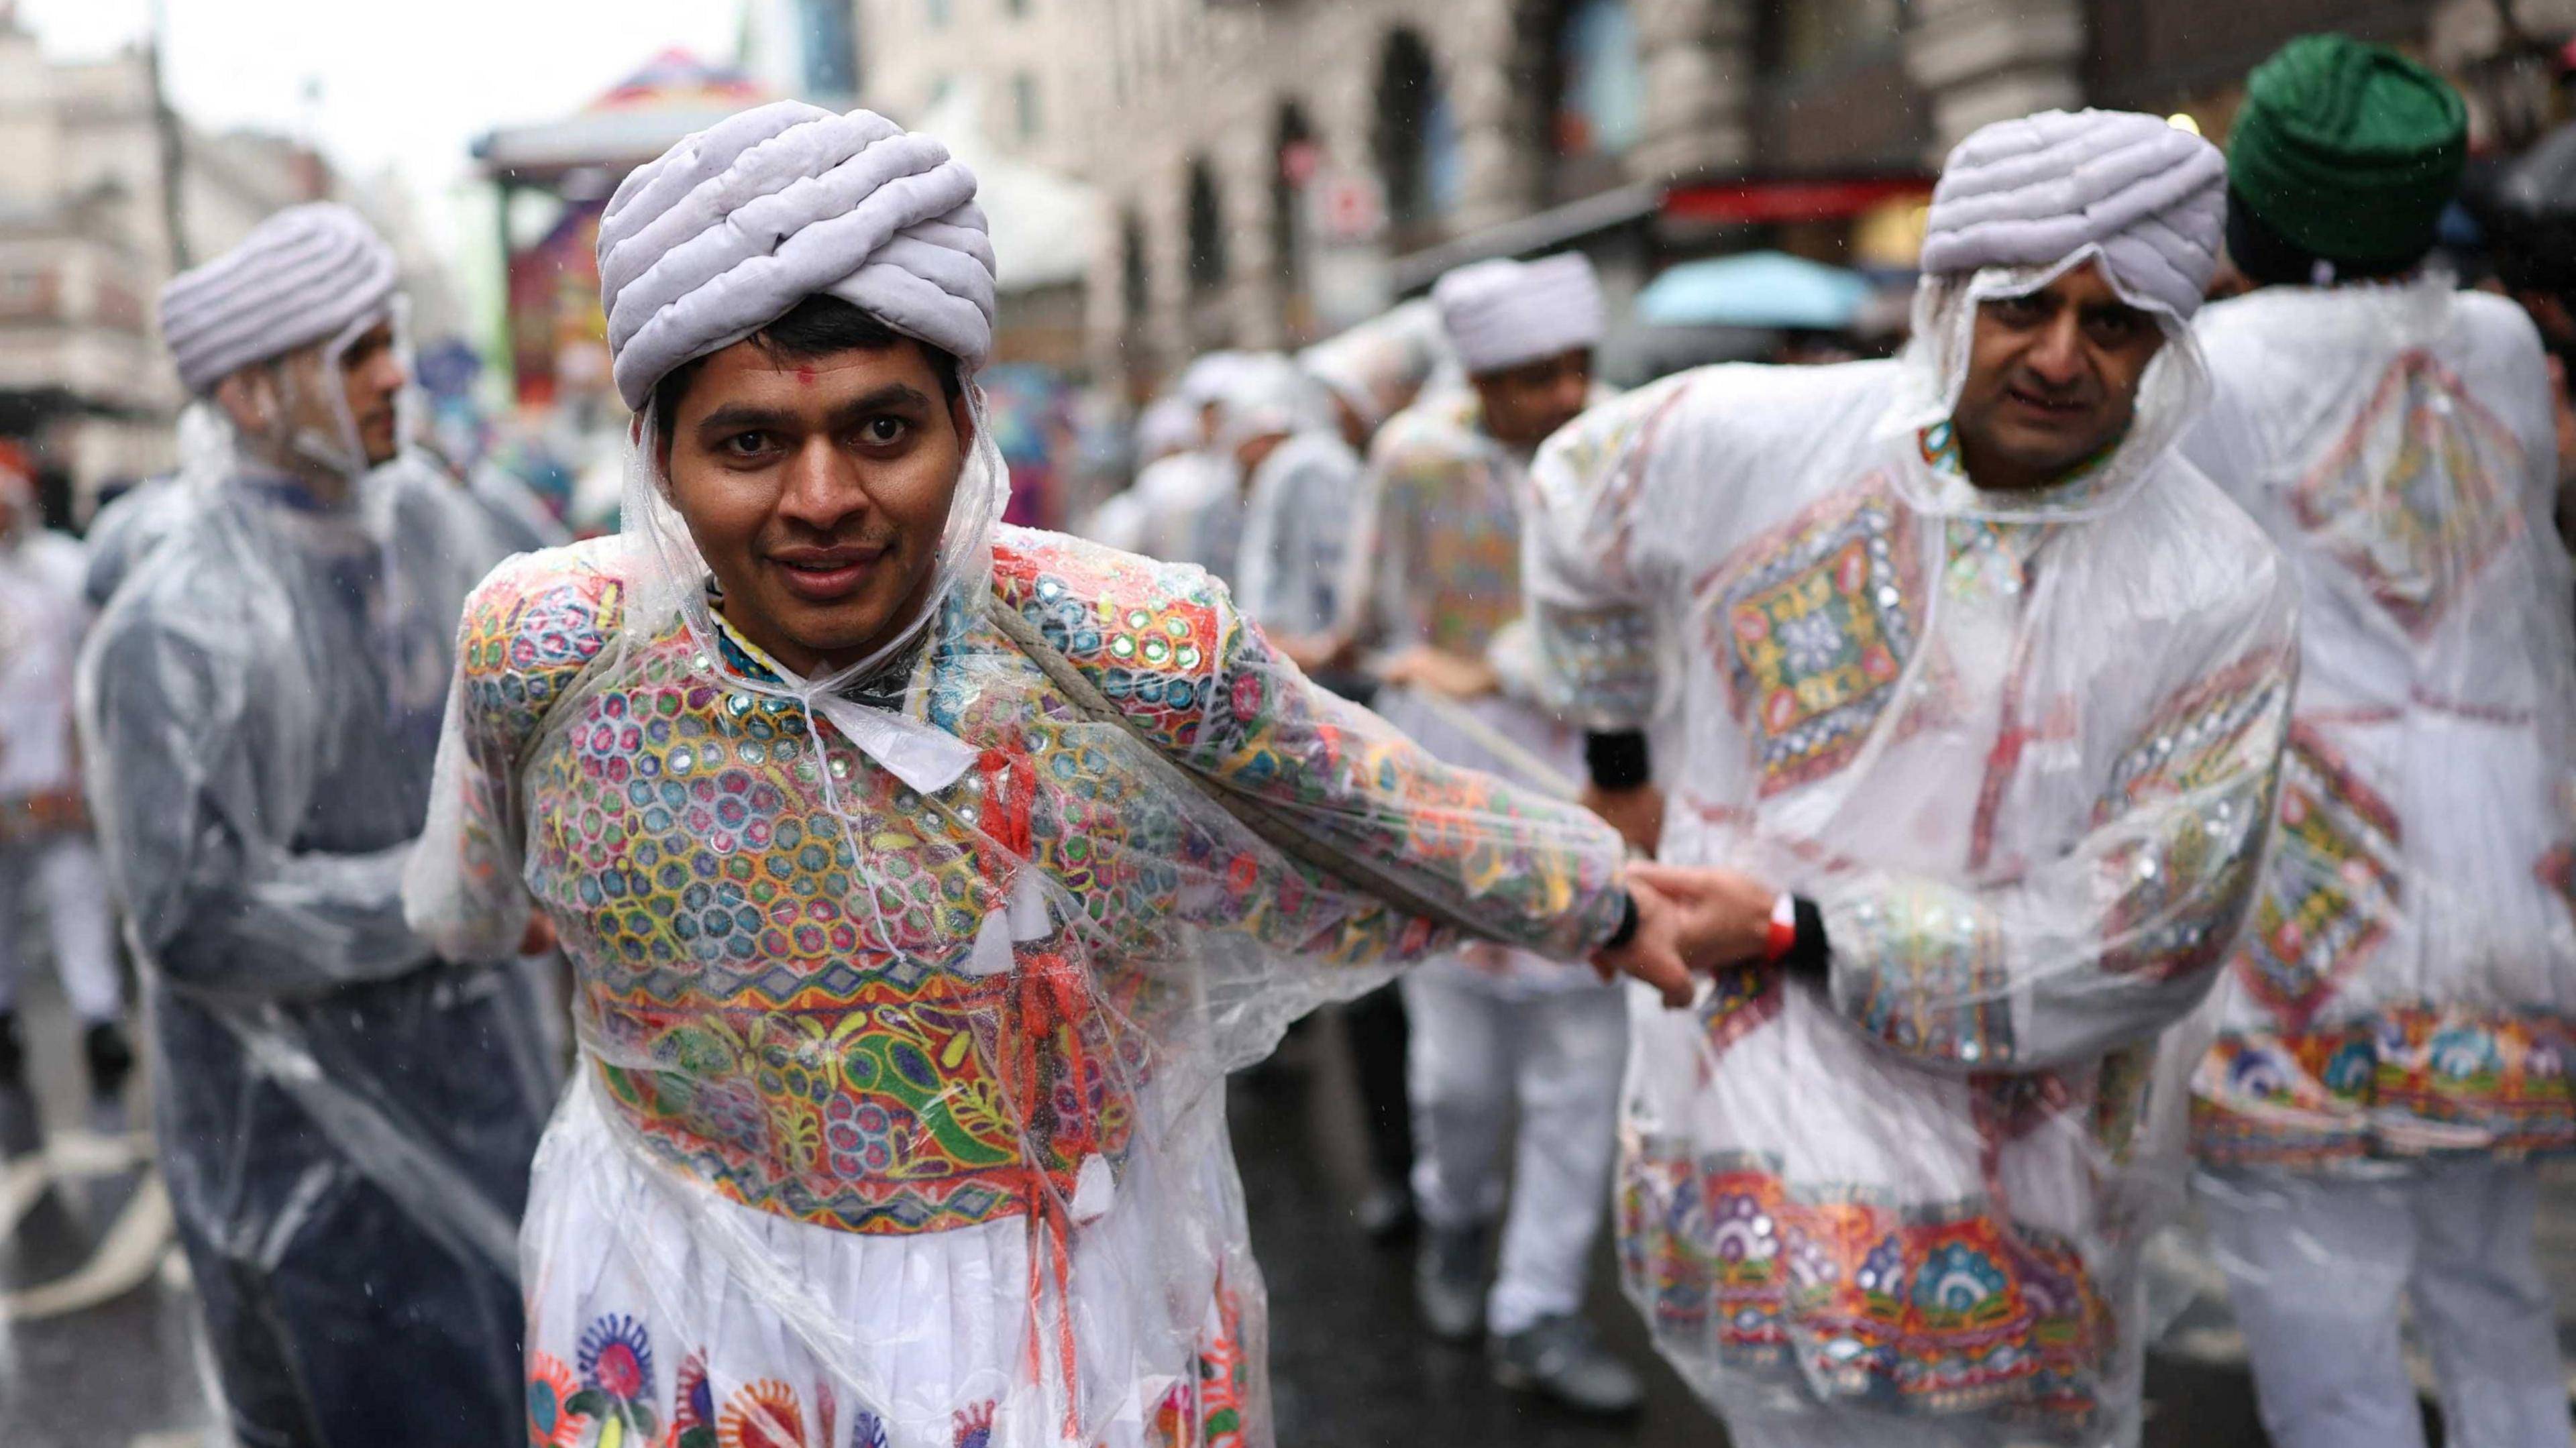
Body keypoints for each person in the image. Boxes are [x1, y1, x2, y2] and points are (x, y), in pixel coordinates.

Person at [402, 101, 1754, 1448]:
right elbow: (470, 894)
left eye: (882, 431)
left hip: (1054, 1316)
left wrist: (1612, 901)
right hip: (687, 1304)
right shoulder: (547, 651)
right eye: (750, 442)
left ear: (966, 427)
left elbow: (1374, 808)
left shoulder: (1129, 650)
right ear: (660, 459)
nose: (821, 498)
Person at [1523, 109, 2300, 1447]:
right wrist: (1617, 760)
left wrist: (1799, 926)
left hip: (2025, 1165)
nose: (2060, 357)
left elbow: (2150, 934)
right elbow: (1575, 496)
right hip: (1757, 1111)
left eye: (2112, 326)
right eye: (2023, 306)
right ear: (1950, 297)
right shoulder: (1760, 439)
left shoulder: (2211, 586)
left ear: (2168, 347)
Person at [78, 202, 556, 1448]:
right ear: (250, 394)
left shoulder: (450, 529)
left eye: (386, 336)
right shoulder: (183, 623)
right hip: (316, 1170)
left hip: (500, 1104)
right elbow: (197, 915)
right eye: (353, 354)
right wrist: (457, 893)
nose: (395, 371)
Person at [2180, 38, 2576, 1448]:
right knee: (2495, 1284)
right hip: (2499, 858)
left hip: (2313, 868)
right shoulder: (2510, 349)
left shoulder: (2216, 366)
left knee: (2321, 1297)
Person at [1328, 252, 1645, 1414]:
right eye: (1531, 374)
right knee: (1457, 1071)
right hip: (1450, 775)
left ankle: (1538, 1307)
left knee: (1579, 1067)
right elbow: (1369, 601)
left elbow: (1646, 609)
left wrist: (1511, 663)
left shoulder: (1624, 444)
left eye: (1576, 366)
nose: (1561, 393)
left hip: (1594, 772)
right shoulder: (1412, 457)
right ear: (1477, 373)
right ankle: (1453, 1218)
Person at [0, 458, 128, 1093]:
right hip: (4, 792)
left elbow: (96, 673)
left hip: (58, 782)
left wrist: (86, 764)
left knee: (78, 904)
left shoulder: (61, 569)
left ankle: (101, 1026)